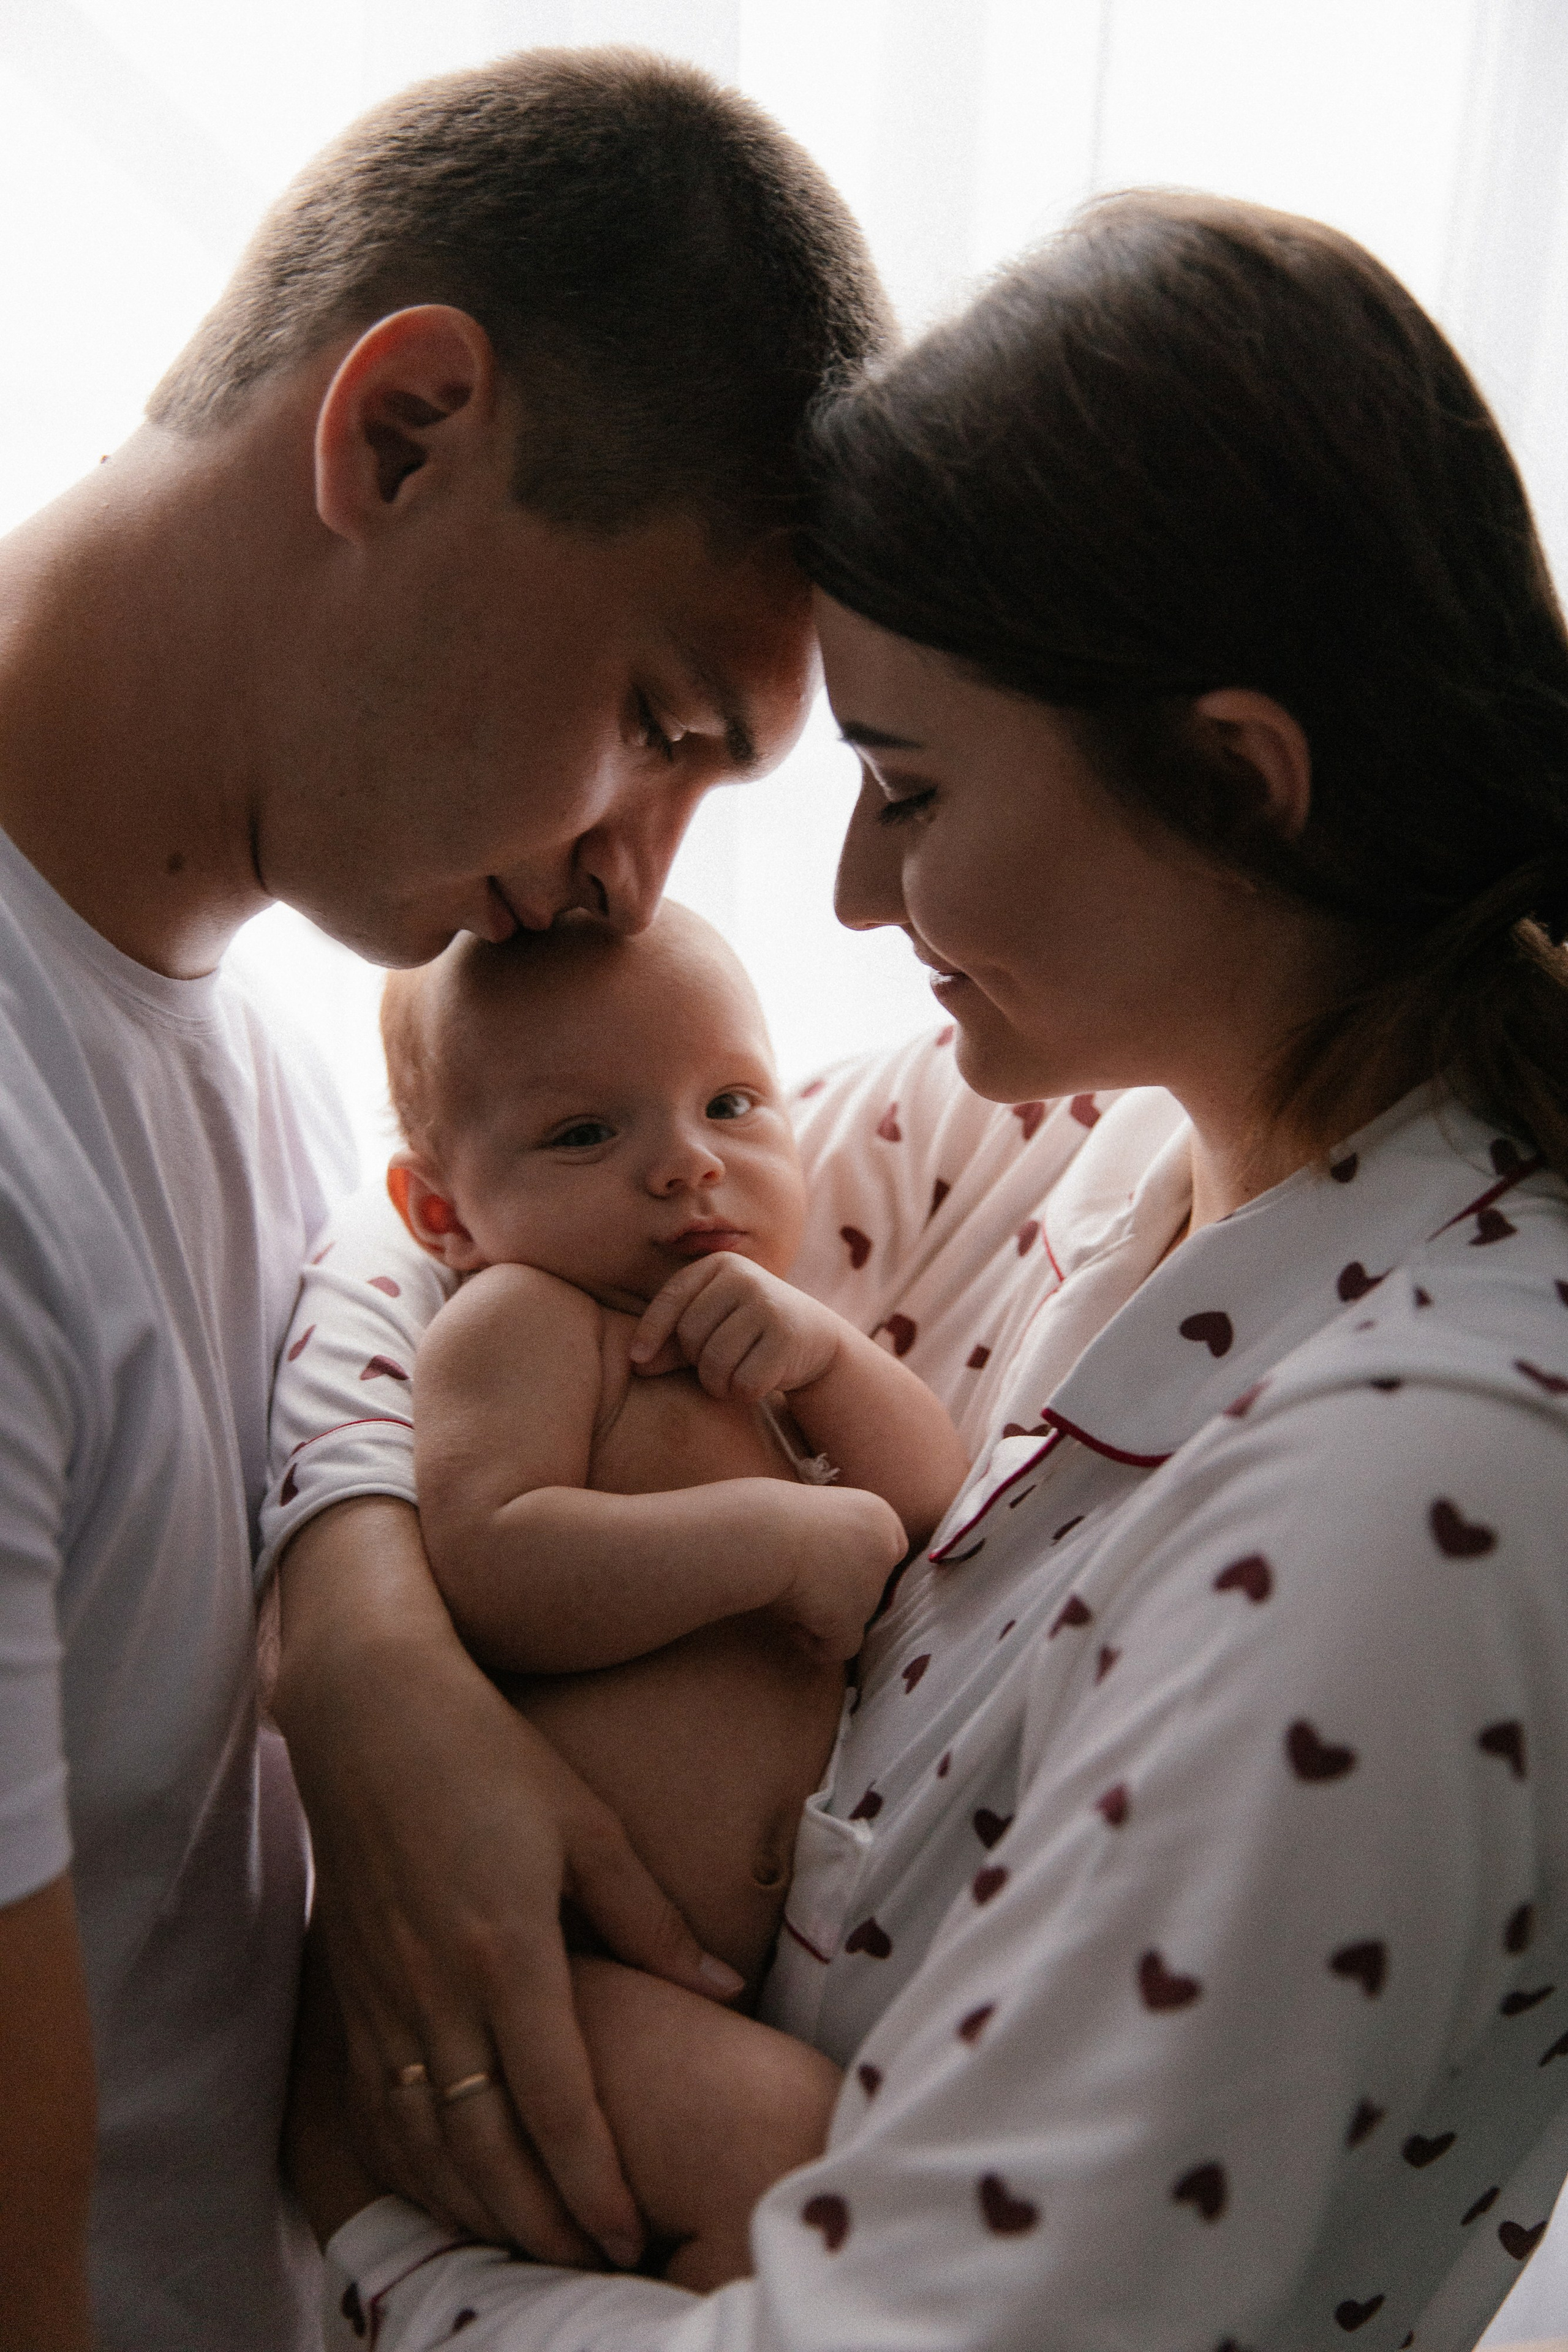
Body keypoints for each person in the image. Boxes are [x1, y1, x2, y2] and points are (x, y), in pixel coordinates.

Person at [280, 193, 1568, 2350]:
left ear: (1238, 784)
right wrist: (364, 1654)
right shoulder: (1082, 1125)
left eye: (910, 788)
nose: (858, 896)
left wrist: (359, 2228)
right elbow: (429, 1224)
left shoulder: (1418, 1502)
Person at [0, 45, 890, 2351]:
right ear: (402, 435)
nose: (633, 880)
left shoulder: (276, 1082)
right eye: (662, 723)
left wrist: (366, 1632)